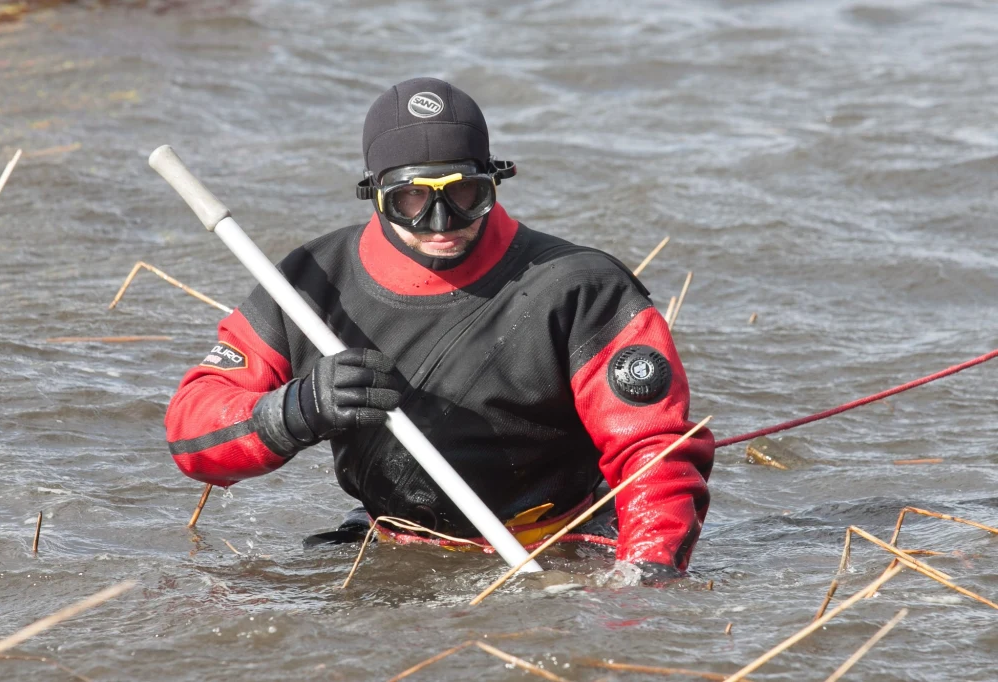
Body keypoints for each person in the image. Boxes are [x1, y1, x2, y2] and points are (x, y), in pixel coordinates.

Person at [165, 77, 714, 579]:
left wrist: (645, 579)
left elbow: (656, 452)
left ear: (495, 180)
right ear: (375, 193)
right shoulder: (309, 283)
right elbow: (191, 431)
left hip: (560, 545)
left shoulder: (582, 288)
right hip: (391, 540)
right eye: (411, 199)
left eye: (464, 195)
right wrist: (295, 410)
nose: (441, 223)